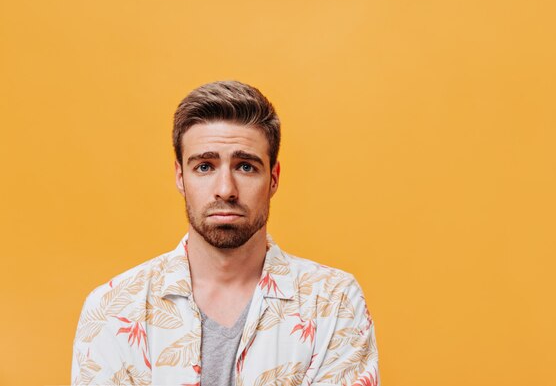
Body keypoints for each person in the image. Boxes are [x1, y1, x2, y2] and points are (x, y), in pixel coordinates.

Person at [71, 81, 380, 386]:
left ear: (273, 178)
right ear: (181, 177)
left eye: (245, 167)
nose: (225, 190)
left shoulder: (332, 302)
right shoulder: (113, 308)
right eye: (205, 167)